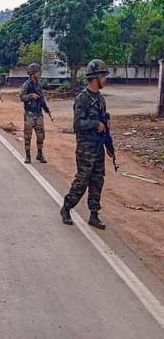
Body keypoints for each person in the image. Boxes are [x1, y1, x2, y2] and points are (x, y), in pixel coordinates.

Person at [60, 60, 112, 230]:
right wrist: (95, 124)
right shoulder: (82, 98)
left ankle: (94, 215)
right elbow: (77, 124)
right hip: (86, 148)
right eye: (103, 76)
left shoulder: (101, 99)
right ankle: (67, 207)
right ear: (95, 78)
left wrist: (109, 146)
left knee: (97, 180)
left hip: (98, 147)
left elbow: (105, 125)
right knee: (82, 180)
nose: (105, 79)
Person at [19, 63, 51, 164]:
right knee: (28, 136)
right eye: (37, 72)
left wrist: (46, 109)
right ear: (32, 73)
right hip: (29, 114)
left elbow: (42, 98)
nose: (39, 73)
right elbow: (22, 97)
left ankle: (40, 154)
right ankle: (28, 156)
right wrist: (31, 95)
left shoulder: (39, 84)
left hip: (38, 113)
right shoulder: (26, 85)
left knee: (41, 136)